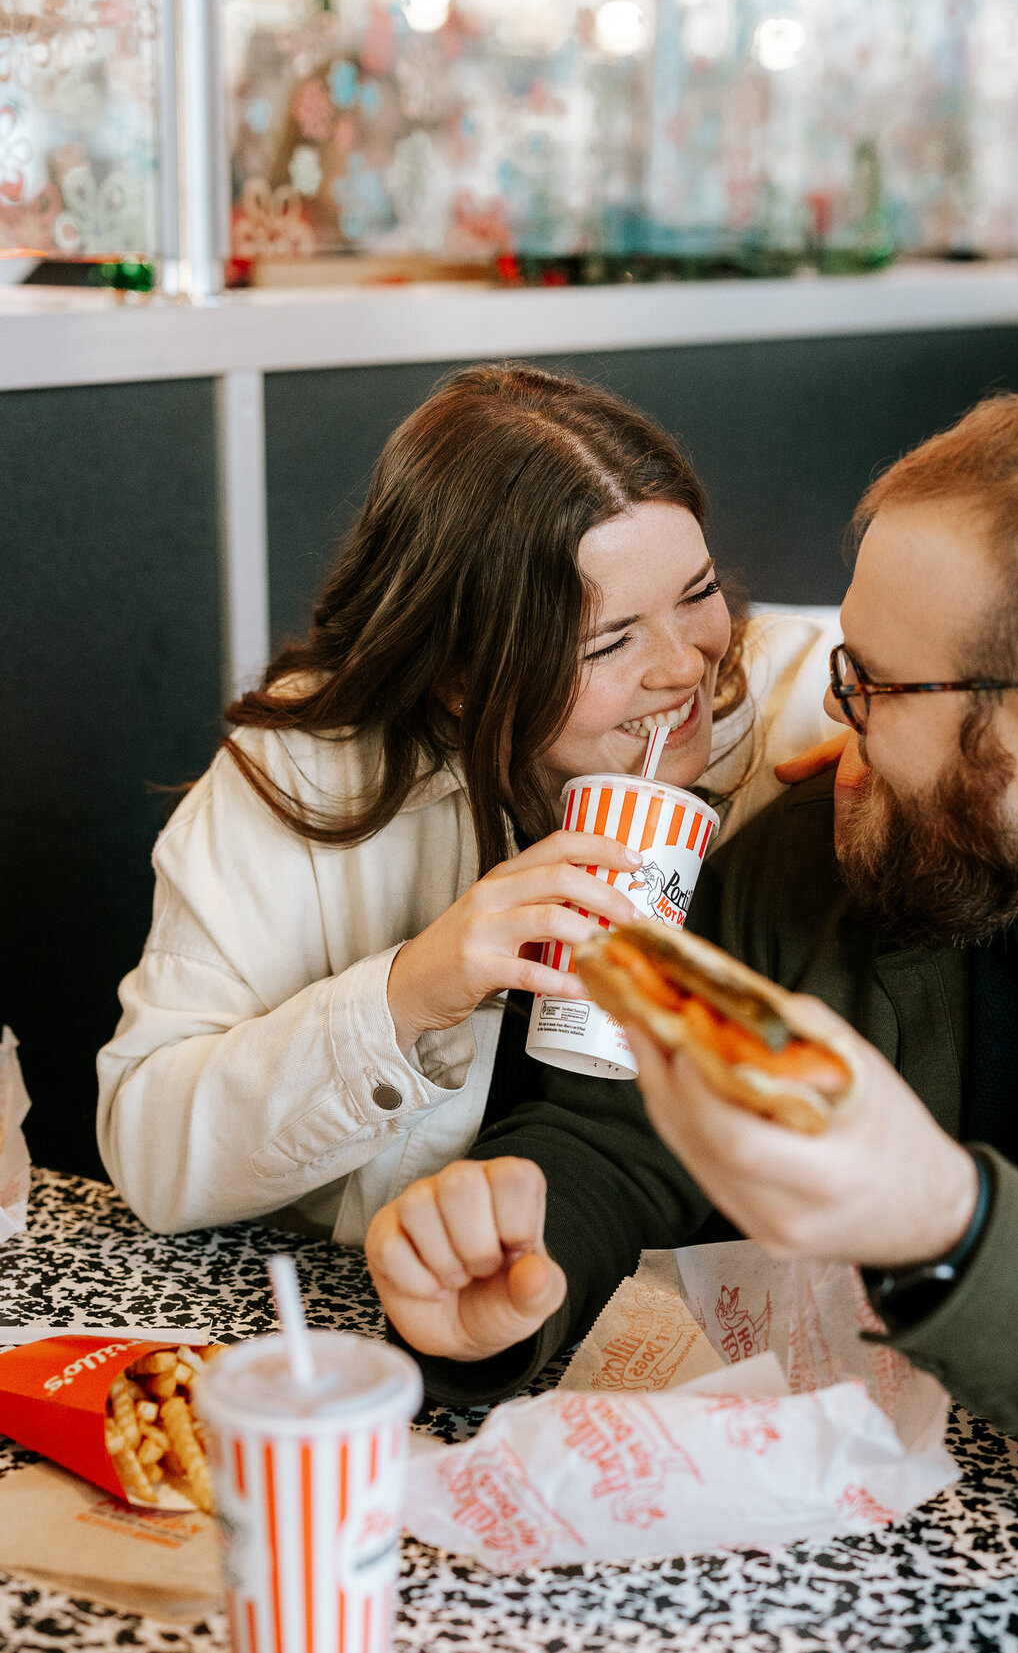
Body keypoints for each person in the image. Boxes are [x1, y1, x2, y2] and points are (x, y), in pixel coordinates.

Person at [367, 389, 1018, 1520]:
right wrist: (513, 1253)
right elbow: (620, 1133)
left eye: (871, 683)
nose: (833, 720)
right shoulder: (830, 860)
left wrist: (944, 1225)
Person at [98, 363, 836, 1242]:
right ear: (460, 677)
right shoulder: (310, 773)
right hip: (439, 1310)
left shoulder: (813, 704)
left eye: (698, 594)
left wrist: (916, 734)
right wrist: (410, 992)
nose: (685, 664)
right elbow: (148, 1149)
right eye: (610, 641)